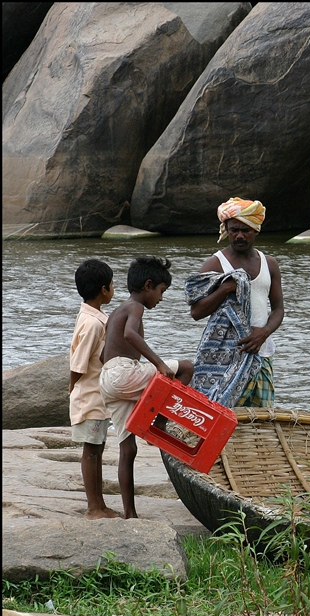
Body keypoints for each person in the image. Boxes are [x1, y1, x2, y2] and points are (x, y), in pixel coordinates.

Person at [100, 256, 193, 519]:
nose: (161, 299)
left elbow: (101, 355)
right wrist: (159, 364)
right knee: (186, 367)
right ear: (149, 285)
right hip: (123, 372)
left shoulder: (115, 311)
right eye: (161, 292)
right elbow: (131, 334)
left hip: (107, 379)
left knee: (127, 448)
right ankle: (160, 422)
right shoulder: (135, 306)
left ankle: (130, 513)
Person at [187, 197, 284, 408]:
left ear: (256, 231)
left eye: (245, 230)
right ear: (226, 230)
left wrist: (264, 332)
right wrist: (225, 288)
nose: (239, 235)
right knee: (222, 413)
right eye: (234, 230)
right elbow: (196, 311)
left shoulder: (269, 264)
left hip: (261, 350)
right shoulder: (216, 264)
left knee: (263, 418)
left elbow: (278, 309)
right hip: (227, 356)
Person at [69, 259, 119, 519]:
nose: (113, 288)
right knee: (91, 451)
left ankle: (99, 504)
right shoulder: (93, 323)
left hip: (97, 398)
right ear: (104, 289)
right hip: (89, 397)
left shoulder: (93, 317)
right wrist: (71, 386)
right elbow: (78, 363)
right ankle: (93, 507)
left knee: (97, 449)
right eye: (112, 284)